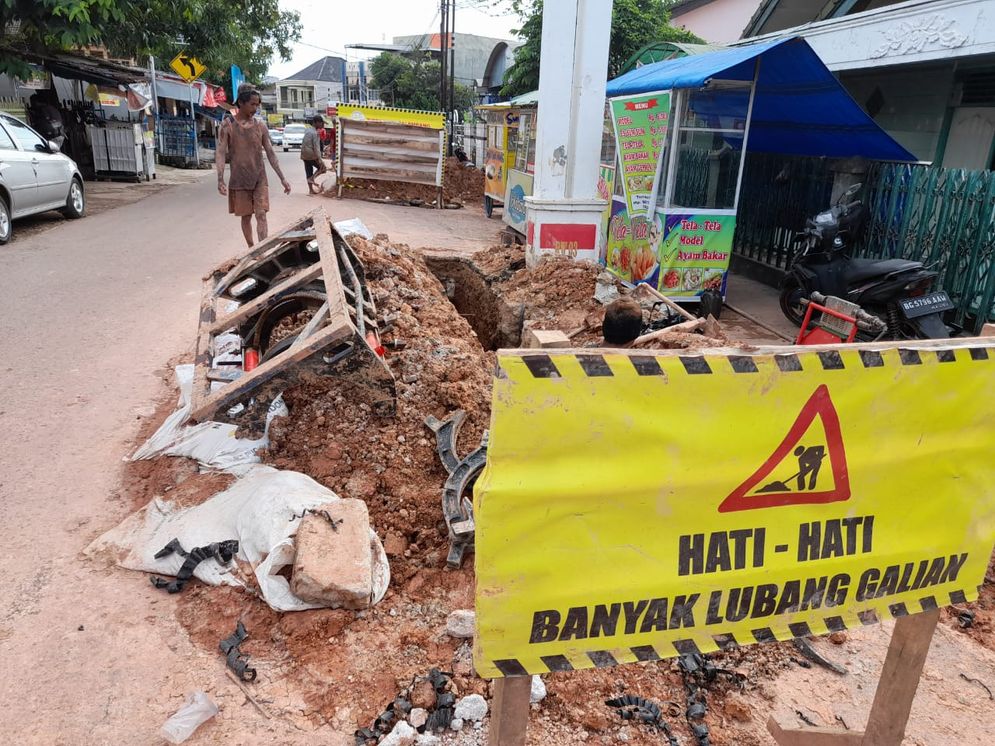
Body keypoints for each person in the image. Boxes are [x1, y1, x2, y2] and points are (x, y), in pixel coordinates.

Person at [216, 86, 290, 246]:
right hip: (239, 179)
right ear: (241, 103)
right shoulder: (227, 125)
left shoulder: (260, 126)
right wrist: (220, 178)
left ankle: (262, 250)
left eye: (258, 105)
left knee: (261, 214)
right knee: (246, 216)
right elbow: (221, 152)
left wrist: (283, 178)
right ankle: (251, 247)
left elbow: (270, 152)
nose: (255, 108)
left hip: (259, 178)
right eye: (252, 104)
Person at [300, 115, 326, 195]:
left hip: (304, 154)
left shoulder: (307, 130)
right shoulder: (315, 133)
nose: (322, 125)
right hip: (311, 154)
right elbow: (316, 148)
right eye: (321, 123)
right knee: (323, 168)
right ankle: (312, 178)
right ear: (316, 123)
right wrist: (320, 160)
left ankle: (311, 190)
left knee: (308, 170)